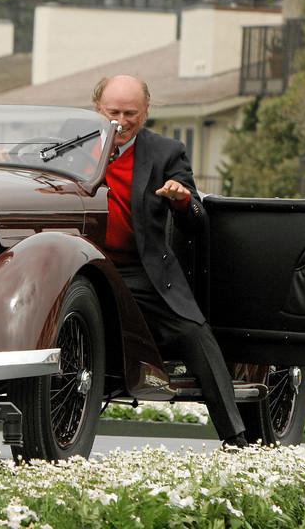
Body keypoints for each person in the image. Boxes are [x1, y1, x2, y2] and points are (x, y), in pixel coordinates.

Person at [93, 74, 247, 449]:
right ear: (97, 108)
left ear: (146, 112)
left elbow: (197, 218)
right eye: (113, 111)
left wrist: (180, 199)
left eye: (131, 113)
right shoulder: (67, 145)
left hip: (141, 271)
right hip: (82, 267)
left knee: (194, 333)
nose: (122, 121)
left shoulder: (165, 152)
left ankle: (236, 437)